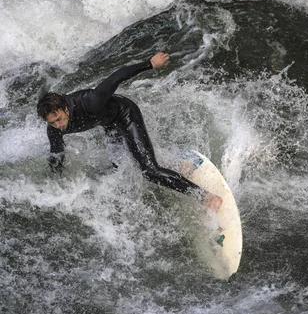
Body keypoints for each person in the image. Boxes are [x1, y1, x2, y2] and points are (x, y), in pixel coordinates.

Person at [37, 52, 222, 212]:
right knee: (121, 168)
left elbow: (116, 77)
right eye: (52, 123)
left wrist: (150, 64)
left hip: (126, 115)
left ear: (66, 109)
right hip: (109, 124)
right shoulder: (54, 129)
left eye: (59, 119)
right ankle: (177, 166)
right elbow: (57, 154)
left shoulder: (90, 101)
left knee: (149, 170)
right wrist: (55, 181)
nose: (58, 126)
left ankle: (207, 197)